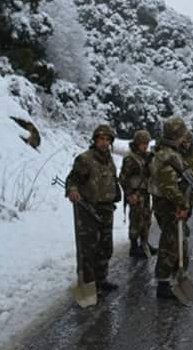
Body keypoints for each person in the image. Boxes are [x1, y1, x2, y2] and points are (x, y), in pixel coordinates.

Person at [65, 124, 121, 294]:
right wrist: (73, 190)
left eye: (107, 140)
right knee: (88, 248)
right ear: (95, 140)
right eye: (101, 139)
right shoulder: (85, 159)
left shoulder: (109, 160)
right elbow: (71, 180)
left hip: (106, 209)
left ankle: (101, 279)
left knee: (105, 247)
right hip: (88, 208)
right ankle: (88, 285)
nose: (104, 143)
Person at [148, 117, 191, 299]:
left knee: (177, 240)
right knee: (169, 243)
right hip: (168, 204)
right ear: (176, 135)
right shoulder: (167, 155)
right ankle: (163, 283)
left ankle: (175, 279)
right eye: (181, 135)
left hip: (165, 202)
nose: (183, 138)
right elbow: (169, 186)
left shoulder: (166, 152)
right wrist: (182, 204)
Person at [119, 129, 156, 258]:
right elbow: (123, 178)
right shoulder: (131, 159)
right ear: (136, 143)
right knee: (136, 220)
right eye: (142, 143)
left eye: (146, 143)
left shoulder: (147, 157)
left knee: (146, 219)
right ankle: (134, 246)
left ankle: (144, 243)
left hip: (145, 193)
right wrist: (130, 194)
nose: (145, 146)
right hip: (135, 193)